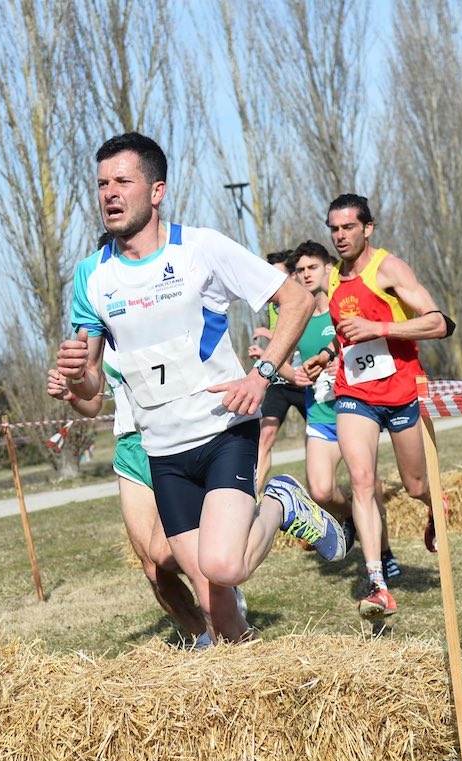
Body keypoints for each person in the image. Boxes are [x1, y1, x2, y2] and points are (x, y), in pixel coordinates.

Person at [57, 133, 345, 643]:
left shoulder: (200, 248)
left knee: (225, 566)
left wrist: (262, 374)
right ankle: (247, 688)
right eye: (102, 184)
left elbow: (296, 300)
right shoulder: (91, 277)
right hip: (163, 454)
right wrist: (77, 374)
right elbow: (94, 388)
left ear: (157, 190)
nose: (110, 193)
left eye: (123, 181)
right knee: (220, 614)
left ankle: (281, 502)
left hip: (222, 434)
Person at [304, 194, 451, 620]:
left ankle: (434, 503)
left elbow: (439, 322)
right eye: (334, 229)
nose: (340, 236)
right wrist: (327, 354)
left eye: (348, 227)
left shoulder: (388, 268)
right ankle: (378, 584)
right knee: (362, 481)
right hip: (355, 394)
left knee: (415, 485)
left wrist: (380, 327)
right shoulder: (332, 278)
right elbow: (346, 334)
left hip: (400, 390)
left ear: (368, 228)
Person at [47, 362, 212, 645]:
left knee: (168, 553)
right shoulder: (99, 341)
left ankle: (222, 588)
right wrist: (72, 395)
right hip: (129, 447)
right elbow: (93, 404)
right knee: (152, 568)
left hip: (173, 437)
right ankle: (203, 638)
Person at [286, 240, 402, 581]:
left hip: (356, 410)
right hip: (320, 416)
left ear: (328, 267)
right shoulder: (297, 315)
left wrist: (342, 364)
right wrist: (292, 374)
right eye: (300, 270)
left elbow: (372, 346)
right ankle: (351, 517)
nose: (306, 275)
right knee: (320, 491)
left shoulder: (344, 305)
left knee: (369, 486)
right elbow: (279, 359)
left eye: (312, 267)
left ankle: (384, 552)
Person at [247, 249, 308, 496]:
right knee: (266, 434)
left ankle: (325, 492)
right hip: (280, 380)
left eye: (278, 274)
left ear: (293, 276)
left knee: (321, 438)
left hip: (305, 380)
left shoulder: (304, 299)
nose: (273, 281)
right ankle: (254, 494)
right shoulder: (273, 305)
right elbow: (283, 345)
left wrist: (267, 335)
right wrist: (266, 353)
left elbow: (297, 336)